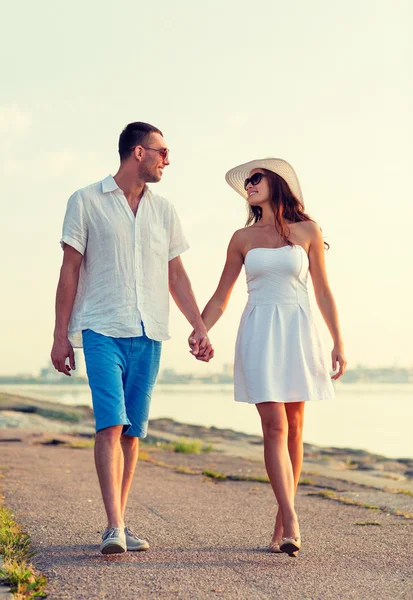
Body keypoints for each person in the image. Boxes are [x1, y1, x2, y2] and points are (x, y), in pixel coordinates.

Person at [51, 121, 212, 555]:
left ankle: (119, 523)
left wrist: (199, 325)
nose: (167, 159)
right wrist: (60, 335)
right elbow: (69, 270)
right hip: (101, 326)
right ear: (138, 152)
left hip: (150, 333)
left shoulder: (165, 212)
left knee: (133, 433)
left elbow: (175, 274)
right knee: (110, 423)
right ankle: (113, 526)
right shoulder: (85, 201)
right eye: (162, 151)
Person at [192, 158, 346, 556]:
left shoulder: (308, 231)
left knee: (295, 428)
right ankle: (293, 519)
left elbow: (324, 292)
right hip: (259, 331)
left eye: (256, 178)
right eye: (247, 182)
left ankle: (282, 520)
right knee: (274, 425)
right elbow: (222, 295)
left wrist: (338, 342)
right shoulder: (242, 239)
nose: (250, 185)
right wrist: (200, 327)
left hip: (297, 330)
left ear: (277, 183)